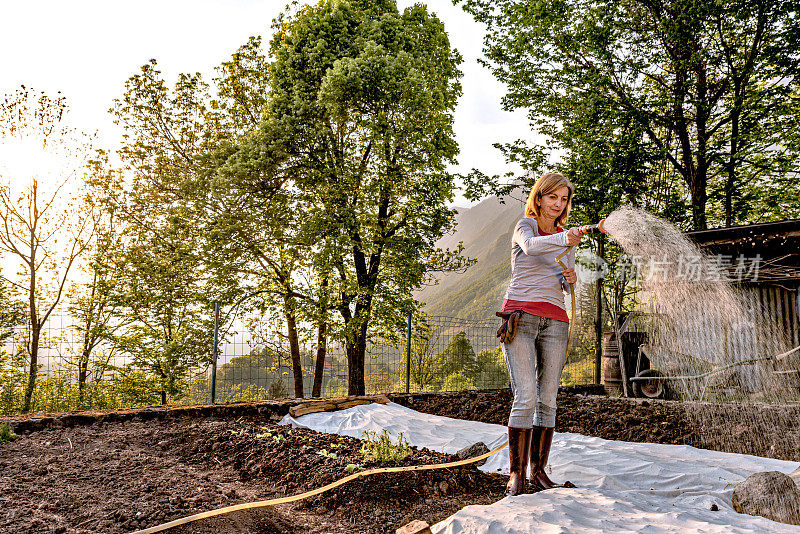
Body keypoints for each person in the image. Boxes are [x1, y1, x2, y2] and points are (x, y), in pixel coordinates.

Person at [499, 172, 581, 496]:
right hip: (520, 318)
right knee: (526, 395)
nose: (558, 205)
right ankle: (516, 474)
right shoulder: (526, 226)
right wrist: (566, 240)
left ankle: (539, 471)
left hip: (556, 321)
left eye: (563, 200)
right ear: (540, 197)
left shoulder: (564, 236)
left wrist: (570, 278)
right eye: (552, 198)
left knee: (548, 399)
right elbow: (532, 249)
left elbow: (562, 279)